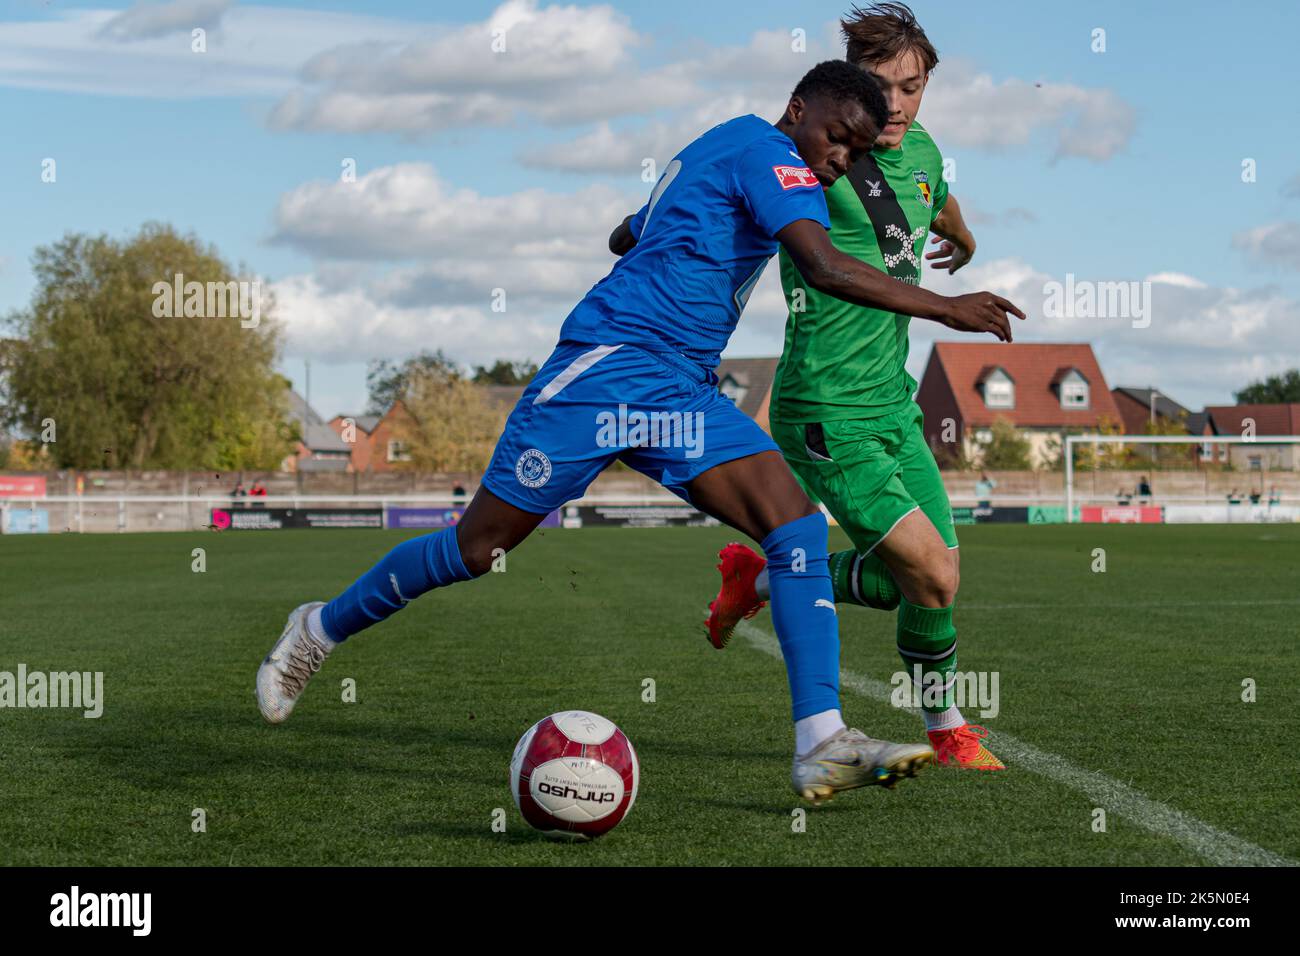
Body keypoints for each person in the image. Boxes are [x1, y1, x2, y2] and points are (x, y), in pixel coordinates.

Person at [255, 59, 1024, 805]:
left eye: (855, 152)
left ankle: (821, 741)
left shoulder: (719, 142)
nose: (839, 161)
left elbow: (625, 233)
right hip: (602, 373)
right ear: (798, 111)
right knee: (475, 548)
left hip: (679, 389)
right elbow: (822, 267)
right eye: (837, 139)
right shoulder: (772, 157)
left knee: (791, 523)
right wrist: (950, 309)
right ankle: (318, 628)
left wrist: (674, 241)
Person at [703, 3, 1021, 771]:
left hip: (892, 403)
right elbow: (751, 193)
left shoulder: (922, 149)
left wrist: (963, 236)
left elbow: (934, 193)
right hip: (826, 406)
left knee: (932, 584)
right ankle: (933, 721)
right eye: (882, 91)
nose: (897, 109)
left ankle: (941, 728)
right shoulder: (816, 155)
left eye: (912, 89)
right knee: (932, 571)